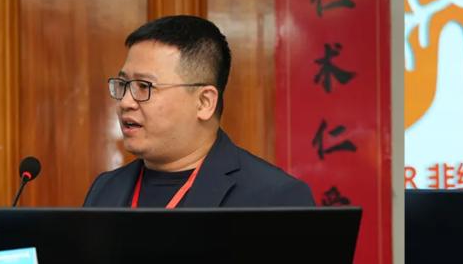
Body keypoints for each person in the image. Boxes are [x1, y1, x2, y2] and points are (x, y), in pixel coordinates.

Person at [84, 14, 313, 207]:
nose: (125, 102)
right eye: (123, 84)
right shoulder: (105, 190)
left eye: (144, 86)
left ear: (204, 102)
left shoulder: (275, 198)